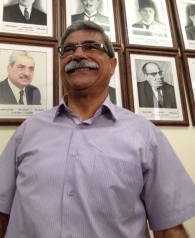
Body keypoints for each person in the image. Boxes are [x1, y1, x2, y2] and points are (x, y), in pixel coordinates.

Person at [0, 20, 195, 238]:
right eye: (69, 49)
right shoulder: (28, 131)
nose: (78, 55)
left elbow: (169, 228)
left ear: (112, 66)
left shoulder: (145, 135)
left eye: (92, 47)